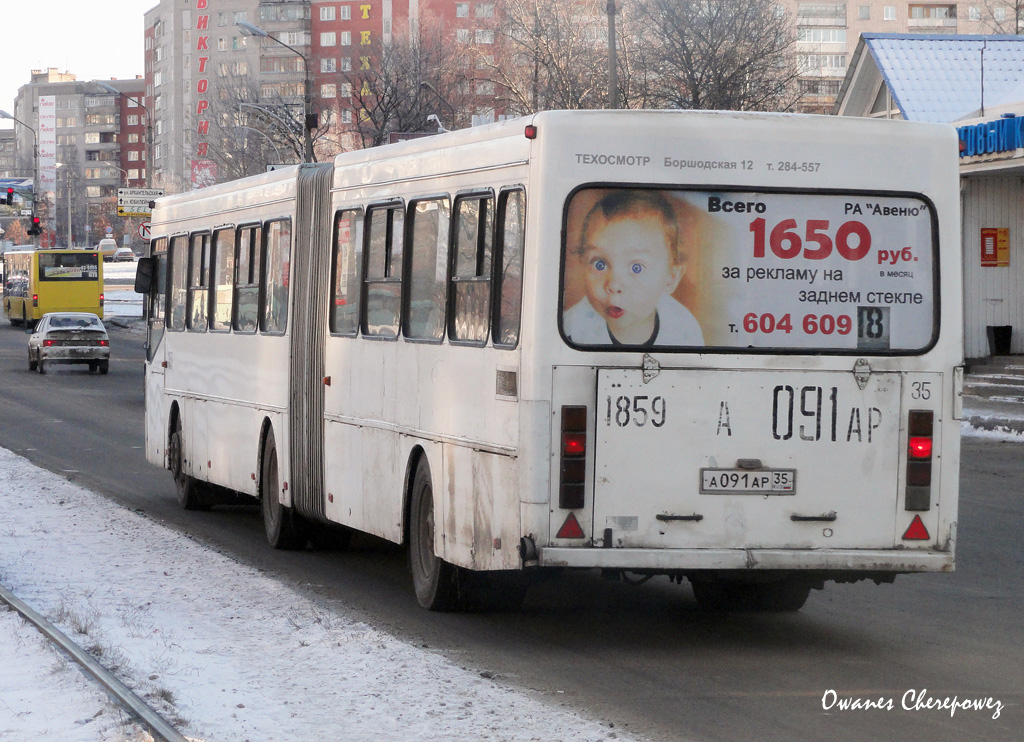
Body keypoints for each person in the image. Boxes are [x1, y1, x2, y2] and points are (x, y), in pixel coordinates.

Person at [563, 190, 704, 346]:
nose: (614, 285)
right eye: (599, 264)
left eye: (637, 267)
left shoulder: (683, 328)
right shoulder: (572, 328)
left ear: (671, 278)